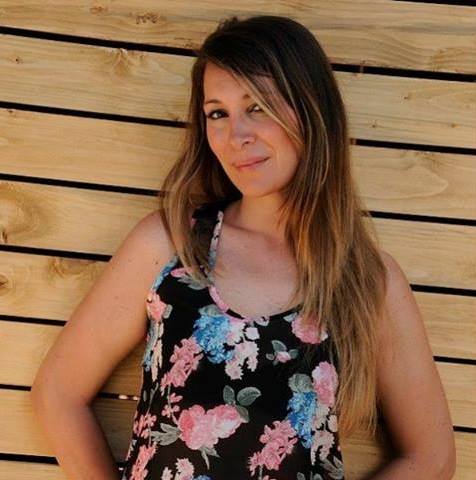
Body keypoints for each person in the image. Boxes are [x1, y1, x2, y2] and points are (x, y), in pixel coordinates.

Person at [31, 14, 456, 480]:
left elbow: (432, 458)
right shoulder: (170, 245)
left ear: (311, 109)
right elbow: (58, 392)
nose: (237, 136)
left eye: (258, 106)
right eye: (218, 113)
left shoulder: (365, 279)